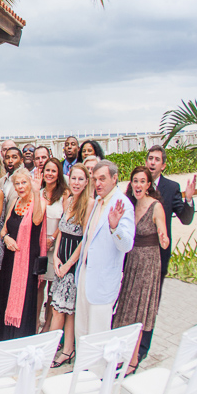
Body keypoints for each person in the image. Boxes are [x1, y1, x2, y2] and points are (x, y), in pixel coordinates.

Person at [138, 145, 196, 361]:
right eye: (149, 158)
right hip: (135, 255)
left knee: (150, 304)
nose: (152, 162)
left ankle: (143, 349)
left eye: (156, 160)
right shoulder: (137, 184)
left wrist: (188, 199)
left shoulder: (172, 187)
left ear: (163, 165)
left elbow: (185, 218)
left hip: (158, 257)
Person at [112, 166, 170, 374]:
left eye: (142, 181)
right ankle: (122, 353)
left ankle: (133, 359)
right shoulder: (130, 205)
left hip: (148, 263)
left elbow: (163, 236)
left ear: (148, 185)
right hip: (131, 261)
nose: (138, 185)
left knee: (139, 311)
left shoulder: (155, 206)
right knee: (126, 307)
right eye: (135, 181)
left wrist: (164, 239)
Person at [74, 160, 135, 342]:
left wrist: (115, 228)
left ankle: (95, 370)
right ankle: (82, 368)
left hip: (103, 279)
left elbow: (127, 245)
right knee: (82, 330)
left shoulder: (122, 204)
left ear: (114, 178)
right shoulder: (99, 201)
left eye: (102, 179)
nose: (98, 184)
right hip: (85, 273)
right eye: (95, 179)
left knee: (98, 335)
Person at [0, 167, 45, 342]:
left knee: (25, 298)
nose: (21, 187)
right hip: (11, 257)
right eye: (17, 183)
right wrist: (6, 239)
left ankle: (19, 338)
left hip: (27, 259)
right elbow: (4, 229)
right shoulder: (15, 203)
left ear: (30, 183)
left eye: (24, 183)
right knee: (5, 294)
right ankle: (3, 336)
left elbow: (36, 221)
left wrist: (36, 191)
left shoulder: (39, 201)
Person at [49, 162, 92, 368]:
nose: (76, 182)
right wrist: (57, 257)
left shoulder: (89, 203)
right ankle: (67, 349)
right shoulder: (69, 199)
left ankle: (51, 348)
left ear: (86, 181)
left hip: (73, 263)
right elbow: (61, 231)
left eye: (80, 179)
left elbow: (85, 238)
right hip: (61, 258)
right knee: (65, 310)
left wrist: (68, 264)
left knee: (61, 309)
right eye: (73, 178)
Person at [39, 158, 67, 330]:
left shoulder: (64, 194)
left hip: (54, 245)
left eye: (53, 171)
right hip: (39, 244)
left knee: (51, 288)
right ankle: (35, 322)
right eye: (47, 170)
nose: (49, 174)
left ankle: (48, 324)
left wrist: (52, 239)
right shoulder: (39, 192)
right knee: (38, 286)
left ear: (58, 174)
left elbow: (64, 220)